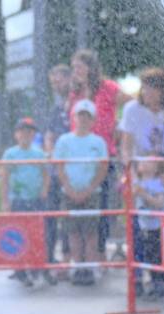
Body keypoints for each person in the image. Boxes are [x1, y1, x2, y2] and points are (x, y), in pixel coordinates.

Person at [69, 49, 133, 259]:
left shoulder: (108, 88)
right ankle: (82, 253)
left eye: (79, 66)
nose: (75, 71)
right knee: (80, 203)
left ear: (90, 67)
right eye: (74, 67)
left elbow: (132, 105)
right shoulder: (75, 92)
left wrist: (120, 127)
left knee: (104, 203)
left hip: (104, 153)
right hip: (79, 156)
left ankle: (100, 248)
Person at [53, 99, 108, 286]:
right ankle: (78, 266)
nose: (83, 120)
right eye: (80, 115)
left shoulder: (98, 142)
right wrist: (69, 188)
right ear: (74, 117)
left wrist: (90, 188)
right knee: (73, 232)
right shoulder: (64, 140)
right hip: (69, 192)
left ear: (93, 120)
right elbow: (59, 166)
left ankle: (90, 267)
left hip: (92, 192)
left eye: (87, 116)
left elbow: (102, 167)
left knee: (91, 232)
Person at [2, 117, 51, 287]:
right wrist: (5, 201)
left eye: (30, 131)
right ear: (16, 134)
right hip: (18, 199)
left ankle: (37, 267)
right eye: (22, 131)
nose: (26, 134)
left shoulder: (39, 153)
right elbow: (5, 178)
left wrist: (45, 190)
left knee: (37, 234)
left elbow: (45, 174)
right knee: (18, 234)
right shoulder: (10, 154)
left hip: (35, 199)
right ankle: (20, 269)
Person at [44, 63, 73, 272]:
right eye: (52, 81)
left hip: (75, 170)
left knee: (71, 215)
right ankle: (48, 256)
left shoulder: (78, 104)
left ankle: (68, 256)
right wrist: (51, 154)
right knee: (51, 214)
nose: (55, 84)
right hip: (57, 171)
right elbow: (49, 134)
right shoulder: (56, 109)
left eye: (59, 80)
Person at [132, 159, 164, 298]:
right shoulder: (137, 184)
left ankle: (159, 284)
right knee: (146, 254)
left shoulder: (158, 183)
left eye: (150, 161)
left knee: (156, 255)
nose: (145, 163)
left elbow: (160, 203)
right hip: (143, 226)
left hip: (157, 227)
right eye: (142, 161)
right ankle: (147, 282)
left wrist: (144, 195)